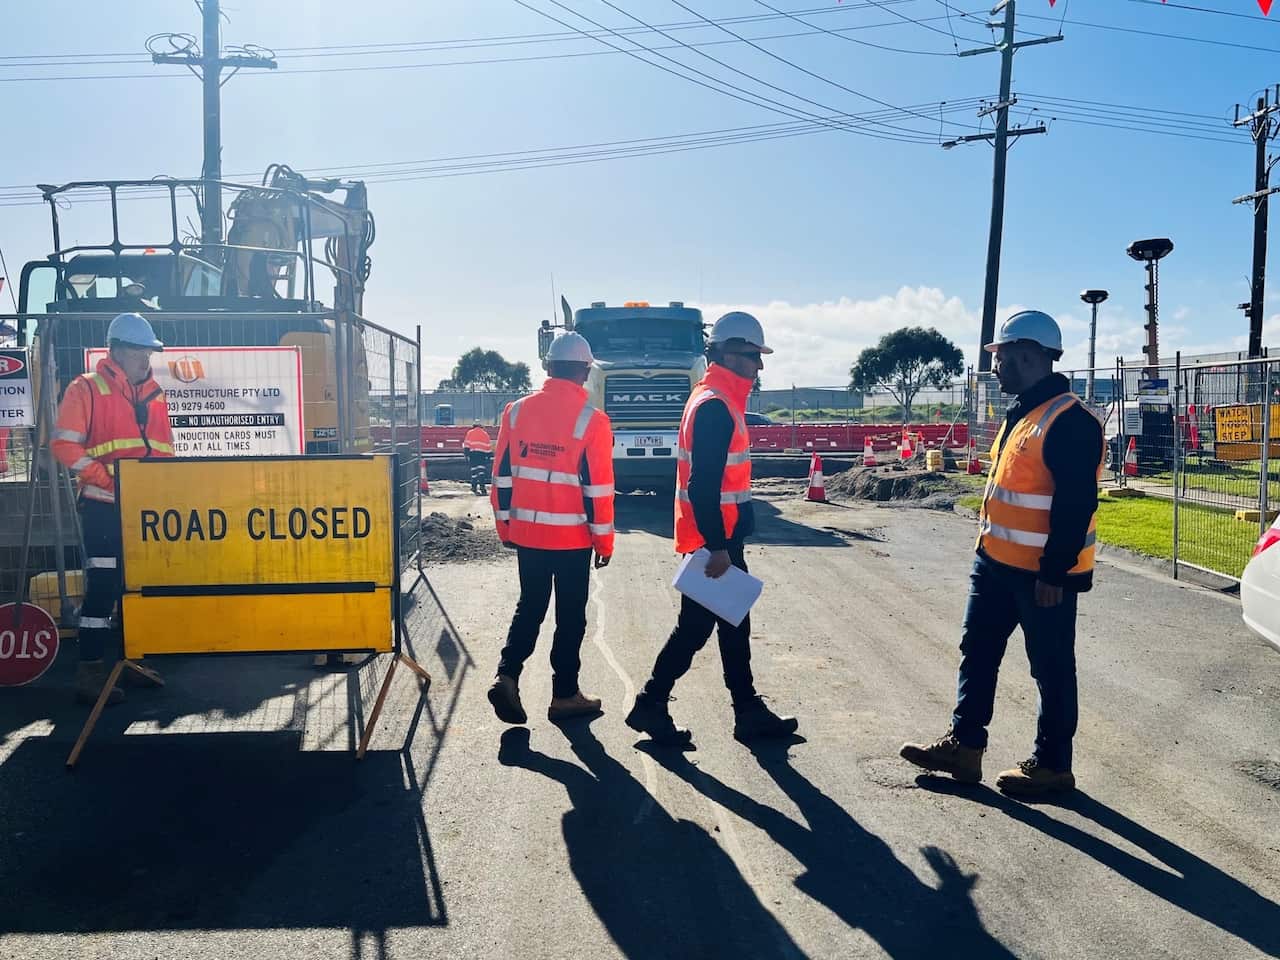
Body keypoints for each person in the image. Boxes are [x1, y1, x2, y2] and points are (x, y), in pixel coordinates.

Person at [900, 310, 1103, 797]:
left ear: (1031, 355)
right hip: (994, 565)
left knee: (1050, 670)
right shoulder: (1025, 412)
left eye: (1002, 358)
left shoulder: (1069, 421)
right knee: (978, 653)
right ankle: (964, 748)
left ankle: (1053, 765)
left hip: (1041, 578)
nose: (995, 367)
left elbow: (1075, 505)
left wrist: (1054, 572)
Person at [626, 311, 798, 748]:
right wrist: (718, 546)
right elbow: (703, 484)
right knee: (697, 629)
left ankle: (745, 710)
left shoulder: (716, 399)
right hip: (714, 542)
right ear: (722, 354)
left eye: (760, 357)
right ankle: (652, 702)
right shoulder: (715, 407)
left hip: (717, 538)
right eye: (750, 356)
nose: (758, 367)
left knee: (731, 622)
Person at [487, 331, 615, 725]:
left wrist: (506, 526)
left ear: (547, 368)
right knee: (571, 616)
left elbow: (501, 478)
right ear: (586, 371)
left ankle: (507, 674)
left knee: (530, 606)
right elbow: (598, 490)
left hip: (527, 535)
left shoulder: (515, 412)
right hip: (573, 538)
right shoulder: (592, 421)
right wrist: (604, 541)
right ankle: (564, 694)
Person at [51, 312, 174, 705]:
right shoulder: (84, 389)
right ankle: (90, 672)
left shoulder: (155, 396)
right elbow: (64, 446)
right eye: (140, 350)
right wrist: (109, 481)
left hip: (145, 512)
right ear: (117, 351)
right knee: (103, 588)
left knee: (135, 588)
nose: (146, 358)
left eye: (150, 351)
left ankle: (131, 663)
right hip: (103, 509)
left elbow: (165, 453)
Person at [463, 420, 493, 495]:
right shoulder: (485, 434)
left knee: (474, 471)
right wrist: (489, 456)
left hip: (473, 454)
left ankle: (474, 487)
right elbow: (488, 446)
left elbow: (467, 445)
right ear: (481, 426)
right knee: (481, 472)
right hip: (482, 455)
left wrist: (466, 455)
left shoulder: (470, 433)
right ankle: (482, 488)